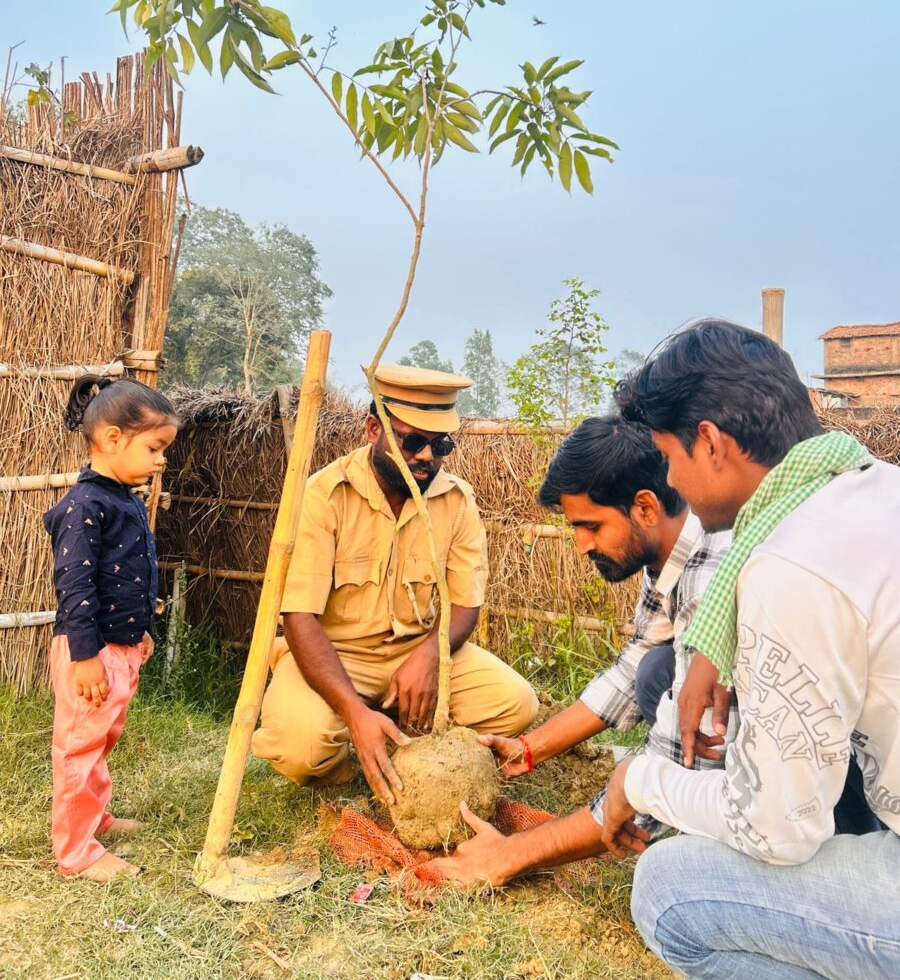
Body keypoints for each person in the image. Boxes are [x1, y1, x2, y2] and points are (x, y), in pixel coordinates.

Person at [604, 320, 900, 980]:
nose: (673, 479)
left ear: (709, 442)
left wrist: (641, 782)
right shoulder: (873, 485)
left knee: (666, 891)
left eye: (670, 457)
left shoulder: (791, 566)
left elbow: (778, 831)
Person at [431, 414, 734, 887]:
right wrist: (528, 750)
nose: (580, 546)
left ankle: (726, 817)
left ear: (646, 507)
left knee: (664, 882)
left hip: (825, 788)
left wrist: (509, 854)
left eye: (590, 526)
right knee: (655, 668)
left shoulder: (708, 580)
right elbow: (630, 671)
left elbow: (664, 768)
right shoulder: (670, 558)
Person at [251, 363, 538, 804]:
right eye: (413, 441)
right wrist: (352, 712)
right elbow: (298, 617)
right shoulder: (324, 494)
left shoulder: (457, 500)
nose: (428, 456)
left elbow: (466, 605)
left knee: (516, 703)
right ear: (373, 429)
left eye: (441, 444)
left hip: (415, 653)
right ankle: (355, 756)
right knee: (300, 748)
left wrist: (427, 657)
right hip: (334, 655)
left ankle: (402, 743)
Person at [45, 376, 178, 882]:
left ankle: (95, 819)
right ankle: (76, 852)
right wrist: (84, 657)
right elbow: (74, 584)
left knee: (100, 740)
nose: (160, 458)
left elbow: (128, 574)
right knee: (79, 746)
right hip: (91, 652)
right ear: (114, 439)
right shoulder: (85, 505)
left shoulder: (123, 498)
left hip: (119, 648)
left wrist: (138, 632)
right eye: (155, 447)